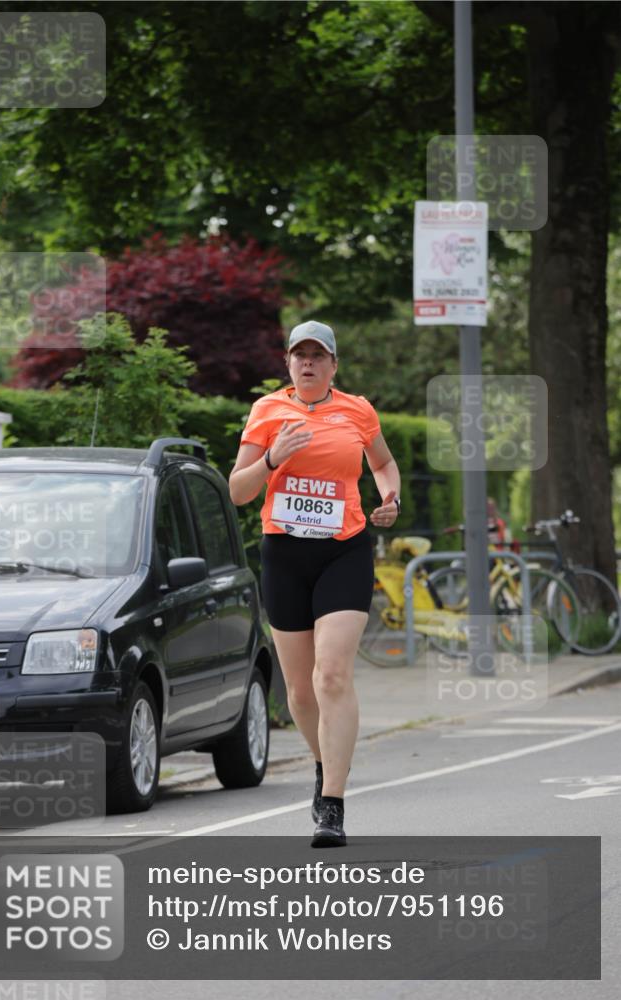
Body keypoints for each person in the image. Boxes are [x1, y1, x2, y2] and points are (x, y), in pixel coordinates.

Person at [228, 320, 401, 847]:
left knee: (331, 676)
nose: (307, 363)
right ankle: (325, 760)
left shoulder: (358, 410)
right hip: (284, 553)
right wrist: (273, 457)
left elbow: (384, 463)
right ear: (287, 363)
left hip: (344, 550)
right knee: (300, 692)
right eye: (298, 354)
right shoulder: (266, 411)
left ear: (333, 365)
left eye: (318, 355)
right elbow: (237, 491)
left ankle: (333, 803)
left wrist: (389, 496)